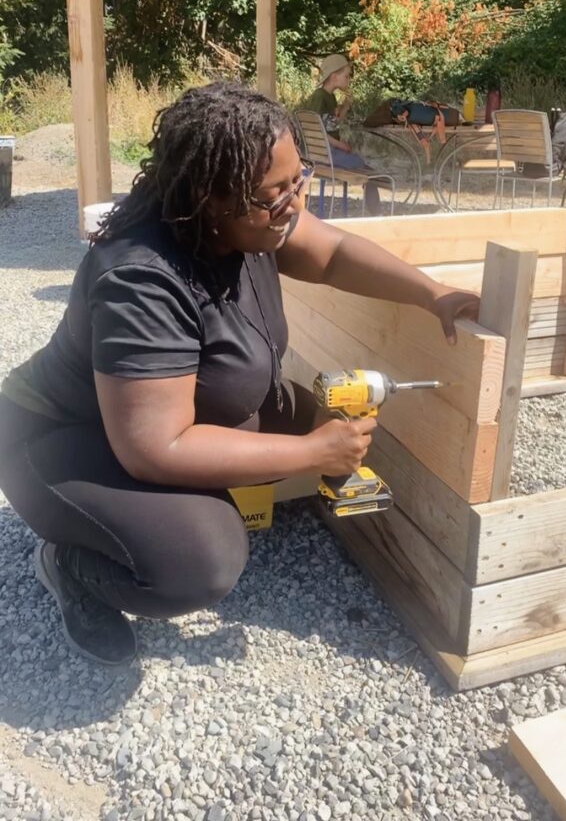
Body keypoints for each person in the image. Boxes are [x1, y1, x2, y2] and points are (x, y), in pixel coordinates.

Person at [0, 82, 479, 668]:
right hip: (59, 441)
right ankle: (73, 566)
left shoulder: (249, 222)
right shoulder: (142, 281)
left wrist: (433, 294)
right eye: (274, 195)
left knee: (298, 412)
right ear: (209, 196)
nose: (294, 204)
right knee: (201, 560)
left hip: (145, 421)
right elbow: (157, 448)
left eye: (298, 180)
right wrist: (314, 454)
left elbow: (332, 255)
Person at [302, 54, 382, 214]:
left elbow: (332, 124)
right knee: (371, 174)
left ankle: (375, 212)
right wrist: (340, 145)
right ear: (334, 76)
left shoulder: (328, 97)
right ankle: (377, 215)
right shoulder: (320, 97)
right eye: (346, 75)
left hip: (326, 154)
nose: (348, 79)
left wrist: (345, 105)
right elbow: (318, 131)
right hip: (326, 155)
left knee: (364, 167)